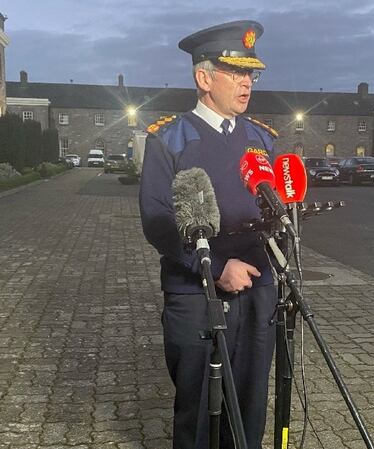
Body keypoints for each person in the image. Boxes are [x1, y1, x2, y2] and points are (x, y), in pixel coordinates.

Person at [139, 20, 280, 449]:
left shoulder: (262, 140)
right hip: (197, 293)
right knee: (199, 407)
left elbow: (272, 207)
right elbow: (158, 219)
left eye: (250, 74)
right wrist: (216, 269)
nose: (246, 82)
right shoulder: (169, 138)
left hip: (258, 290)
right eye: (235, 72)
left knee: (251, 401)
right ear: (204, 78)